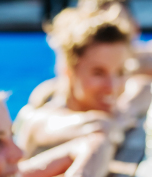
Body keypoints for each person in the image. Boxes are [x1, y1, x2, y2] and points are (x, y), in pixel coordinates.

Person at [16, 5, 142, 157]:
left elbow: (145, 87)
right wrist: (121, 120)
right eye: (98, 73)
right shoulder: (43, 119)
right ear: (69, 71)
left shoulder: (110, 110)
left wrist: (127, 111)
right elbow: (101, 126)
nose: (112, 86)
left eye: (120, 72)